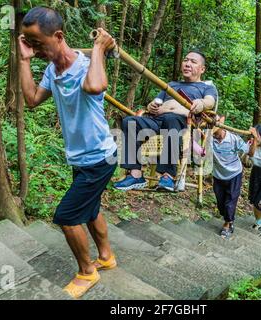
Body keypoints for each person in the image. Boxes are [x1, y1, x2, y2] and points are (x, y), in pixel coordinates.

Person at [19, 7, 117, 298]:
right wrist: (24, 60)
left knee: (66, 215)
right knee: (90, 209)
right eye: (29, 43)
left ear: (58, 36)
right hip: (81, 157)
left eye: (37, 43)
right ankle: (106, 256)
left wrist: (99, 46)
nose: (34, 49)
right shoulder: (52, 70)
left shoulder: (86, 65)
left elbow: (96, 85)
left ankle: (87, 271)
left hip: (100, 157)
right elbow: (33, 99)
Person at [114, 51, 218, 192]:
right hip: (156, 121)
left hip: (182, 124)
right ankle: (135, 174)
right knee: (130, 121)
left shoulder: (206, 87)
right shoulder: (171, 84)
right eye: (185, 60)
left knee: (172, 119)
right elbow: (155, 102)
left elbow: (210, 102)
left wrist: (201, 103)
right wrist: (151, 106)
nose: (187, 64)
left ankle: (167, 176)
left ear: (202, 69)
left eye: (193, 62)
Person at [211, 117, 252, 239]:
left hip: (234, 174)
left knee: (231, 201)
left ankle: (228, 223)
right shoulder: (208, 138)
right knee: (221, 202)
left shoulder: (233, 139)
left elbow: (249, 152)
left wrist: (253, 139)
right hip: (218, 175)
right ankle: (228, 218)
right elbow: (199, 152)